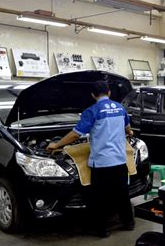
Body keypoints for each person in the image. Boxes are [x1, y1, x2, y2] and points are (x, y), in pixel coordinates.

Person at [47, 80, 134, 237]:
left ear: (93, 95)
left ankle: (102, 230)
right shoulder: (120, 108)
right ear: (109, 93)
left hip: (102, 162)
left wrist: (56, 144)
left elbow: (76, 134)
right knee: (122, 193)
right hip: (120, 161)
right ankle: (129, 223)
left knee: (99, 198)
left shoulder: (92, 111)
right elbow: (127, 128)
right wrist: (129, 133)